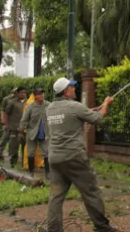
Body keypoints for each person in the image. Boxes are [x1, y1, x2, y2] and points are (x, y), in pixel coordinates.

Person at [45, 77, 116, 232]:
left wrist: (89, 111)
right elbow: (97, 119)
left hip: (55, 158)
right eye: (71, 87)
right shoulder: (75, 106)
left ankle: (53, 229)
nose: (74, 89)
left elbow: (73, 116)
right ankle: (102, 227)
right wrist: (105, 104)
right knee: (91, 191)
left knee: (56, 197)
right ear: (66, 91)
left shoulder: (50, 108)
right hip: (74, 157)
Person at [20, 86, 50, 178]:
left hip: (44, 133)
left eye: (42, 93)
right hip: (32, 133)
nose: (41, 95)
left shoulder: (48, 105)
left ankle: (48, 173)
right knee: (30, 152)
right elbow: (24, 119)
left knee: (46, 152)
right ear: (35, 96)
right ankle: (31, 172)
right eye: (39, 94)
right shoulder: (30, 106)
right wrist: (21, 128)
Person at [0, 87, 27, 166]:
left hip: (24, 128)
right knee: (13, 146)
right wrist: (6, 124)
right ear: (17, 93)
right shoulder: (11, 102)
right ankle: (12, 162)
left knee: (25, 145)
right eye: (21, 92)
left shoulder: (27, 102)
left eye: (24, 92)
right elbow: (6, 113)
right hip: (14, 127)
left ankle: (24, 162)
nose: (23, 94)